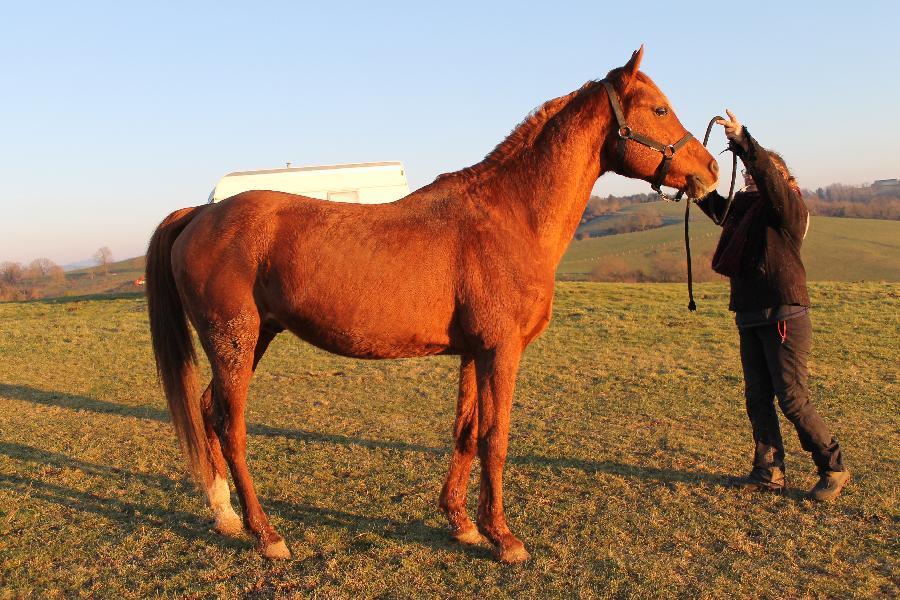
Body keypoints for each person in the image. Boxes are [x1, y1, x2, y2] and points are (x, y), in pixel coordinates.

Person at [696, 110, 850, 501]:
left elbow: (767, 176)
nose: (749, 179)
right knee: (757, 396)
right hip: (749, 314)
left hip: (785, 313)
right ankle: (768, 471)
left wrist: (744, 141)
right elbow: (715, 206)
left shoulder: (789, 209)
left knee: (792, 398)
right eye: (746, 176)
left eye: (755, 175)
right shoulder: (743, 212)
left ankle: (833, 466)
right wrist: (691, 180)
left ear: (780, 178)